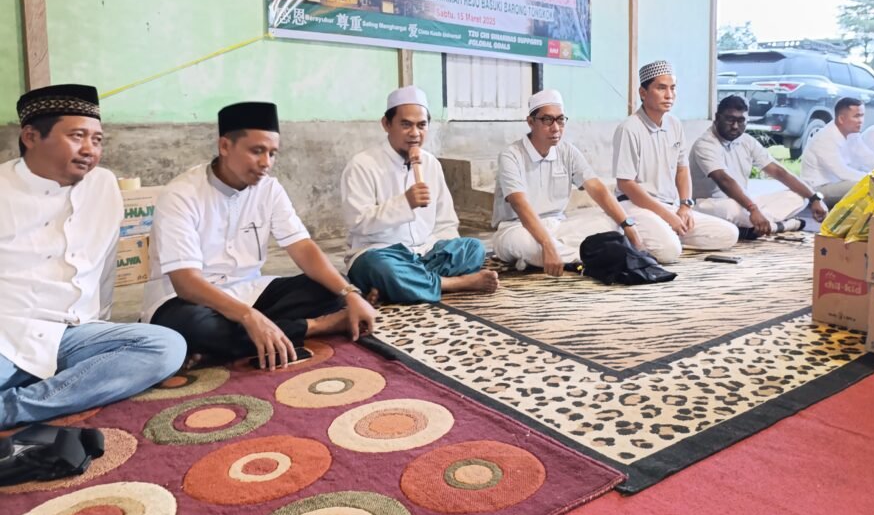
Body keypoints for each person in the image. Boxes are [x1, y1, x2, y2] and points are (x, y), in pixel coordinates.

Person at [1, 84, 186, 429]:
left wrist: (102, 328)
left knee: (166, 347)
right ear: (30, 136)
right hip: (7, 336)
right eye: (77, 136)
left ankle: (13, 408)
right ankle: (59, 387)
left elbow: (104, 271)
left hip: (74, 334)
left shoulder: (102, 185)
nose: (90, 150)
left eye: (98, 140)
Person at [143, 102, 376, 370]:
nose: (266, 163)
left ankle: (228, 346)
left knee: (332, 287)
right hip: (187, 301)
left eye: (273, 153)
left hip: (249, 290)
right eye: (257, 151)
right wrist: (248, 316)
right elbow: (186, 283)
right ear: (225, 146)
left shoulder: (270, 189)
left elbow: (302, 247)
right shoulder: (181, 194)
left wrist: (350, 294)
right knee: (194, 328)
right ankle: (317, 326)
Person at [340, 86, 499, 304]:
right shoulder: (363, 164)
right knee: (382, 268)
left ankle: (401, 286)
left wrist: (445, 250)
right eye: (406, 125)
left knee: (473, 249)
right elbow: (358, 223)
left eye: (421, 125)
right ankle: (456, 283)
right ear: (386, 124)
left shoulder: (431, 163)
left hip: (425, 254)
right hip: (380, 253)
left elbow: (446, 221)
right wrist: (405, 203)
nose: (415, 133)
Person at [493, 89, 650, 275]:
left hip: (558, 227)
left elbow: (597, 189)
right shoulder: (511, 156)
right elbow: (520, 205)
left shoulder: (567, 151)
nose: (556, 128)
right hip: (517, 227)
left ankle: (568, 257)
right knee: (523, 243)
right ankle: (600, 258)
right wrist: (547, 244)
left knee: (611, 222)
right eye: (547, 120)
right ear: (530, 122)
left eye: (560, 120)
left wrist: (627, 225)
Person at [612, 60, 739, 262]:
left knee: (729, 234)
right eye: (661, 88)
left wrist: (685, 206)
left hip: (670, 206)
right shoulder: (629, 128)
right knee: (669, 252)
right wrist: (667, 216)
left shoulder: (674, 124)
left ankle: (666, 237)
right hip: (636, 207)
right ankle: (648, 236)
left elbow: (682, 169)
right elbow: (625, 184)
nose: (669, 95)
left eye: (673, 88)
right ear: (643, 93)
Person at [690, 95, 829, 239]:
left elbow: (778, 171)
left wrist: (814, 198)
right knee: (732, 208)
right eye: (730, 120)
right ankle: (777, 226)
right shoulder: (705, 144)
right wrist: (753, 209)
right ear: (717, 118)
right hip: (710, 206)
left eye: (741, 120)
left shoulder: (747, 141)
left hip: (744, 203)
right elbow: (725, 181)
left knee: (800, 197)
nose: (735, 126)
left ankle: (753, 226)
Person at [800, 97, 874, 206]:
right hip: (817, 190)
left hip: (839, 183)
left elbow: (868, 157)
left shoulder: (853, 135)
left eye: (862, 115)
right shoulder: (825, 138)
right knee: (869, 185)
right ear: (841, 119)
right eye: (857, 116)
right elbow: (842, 172)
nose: (861, 120)